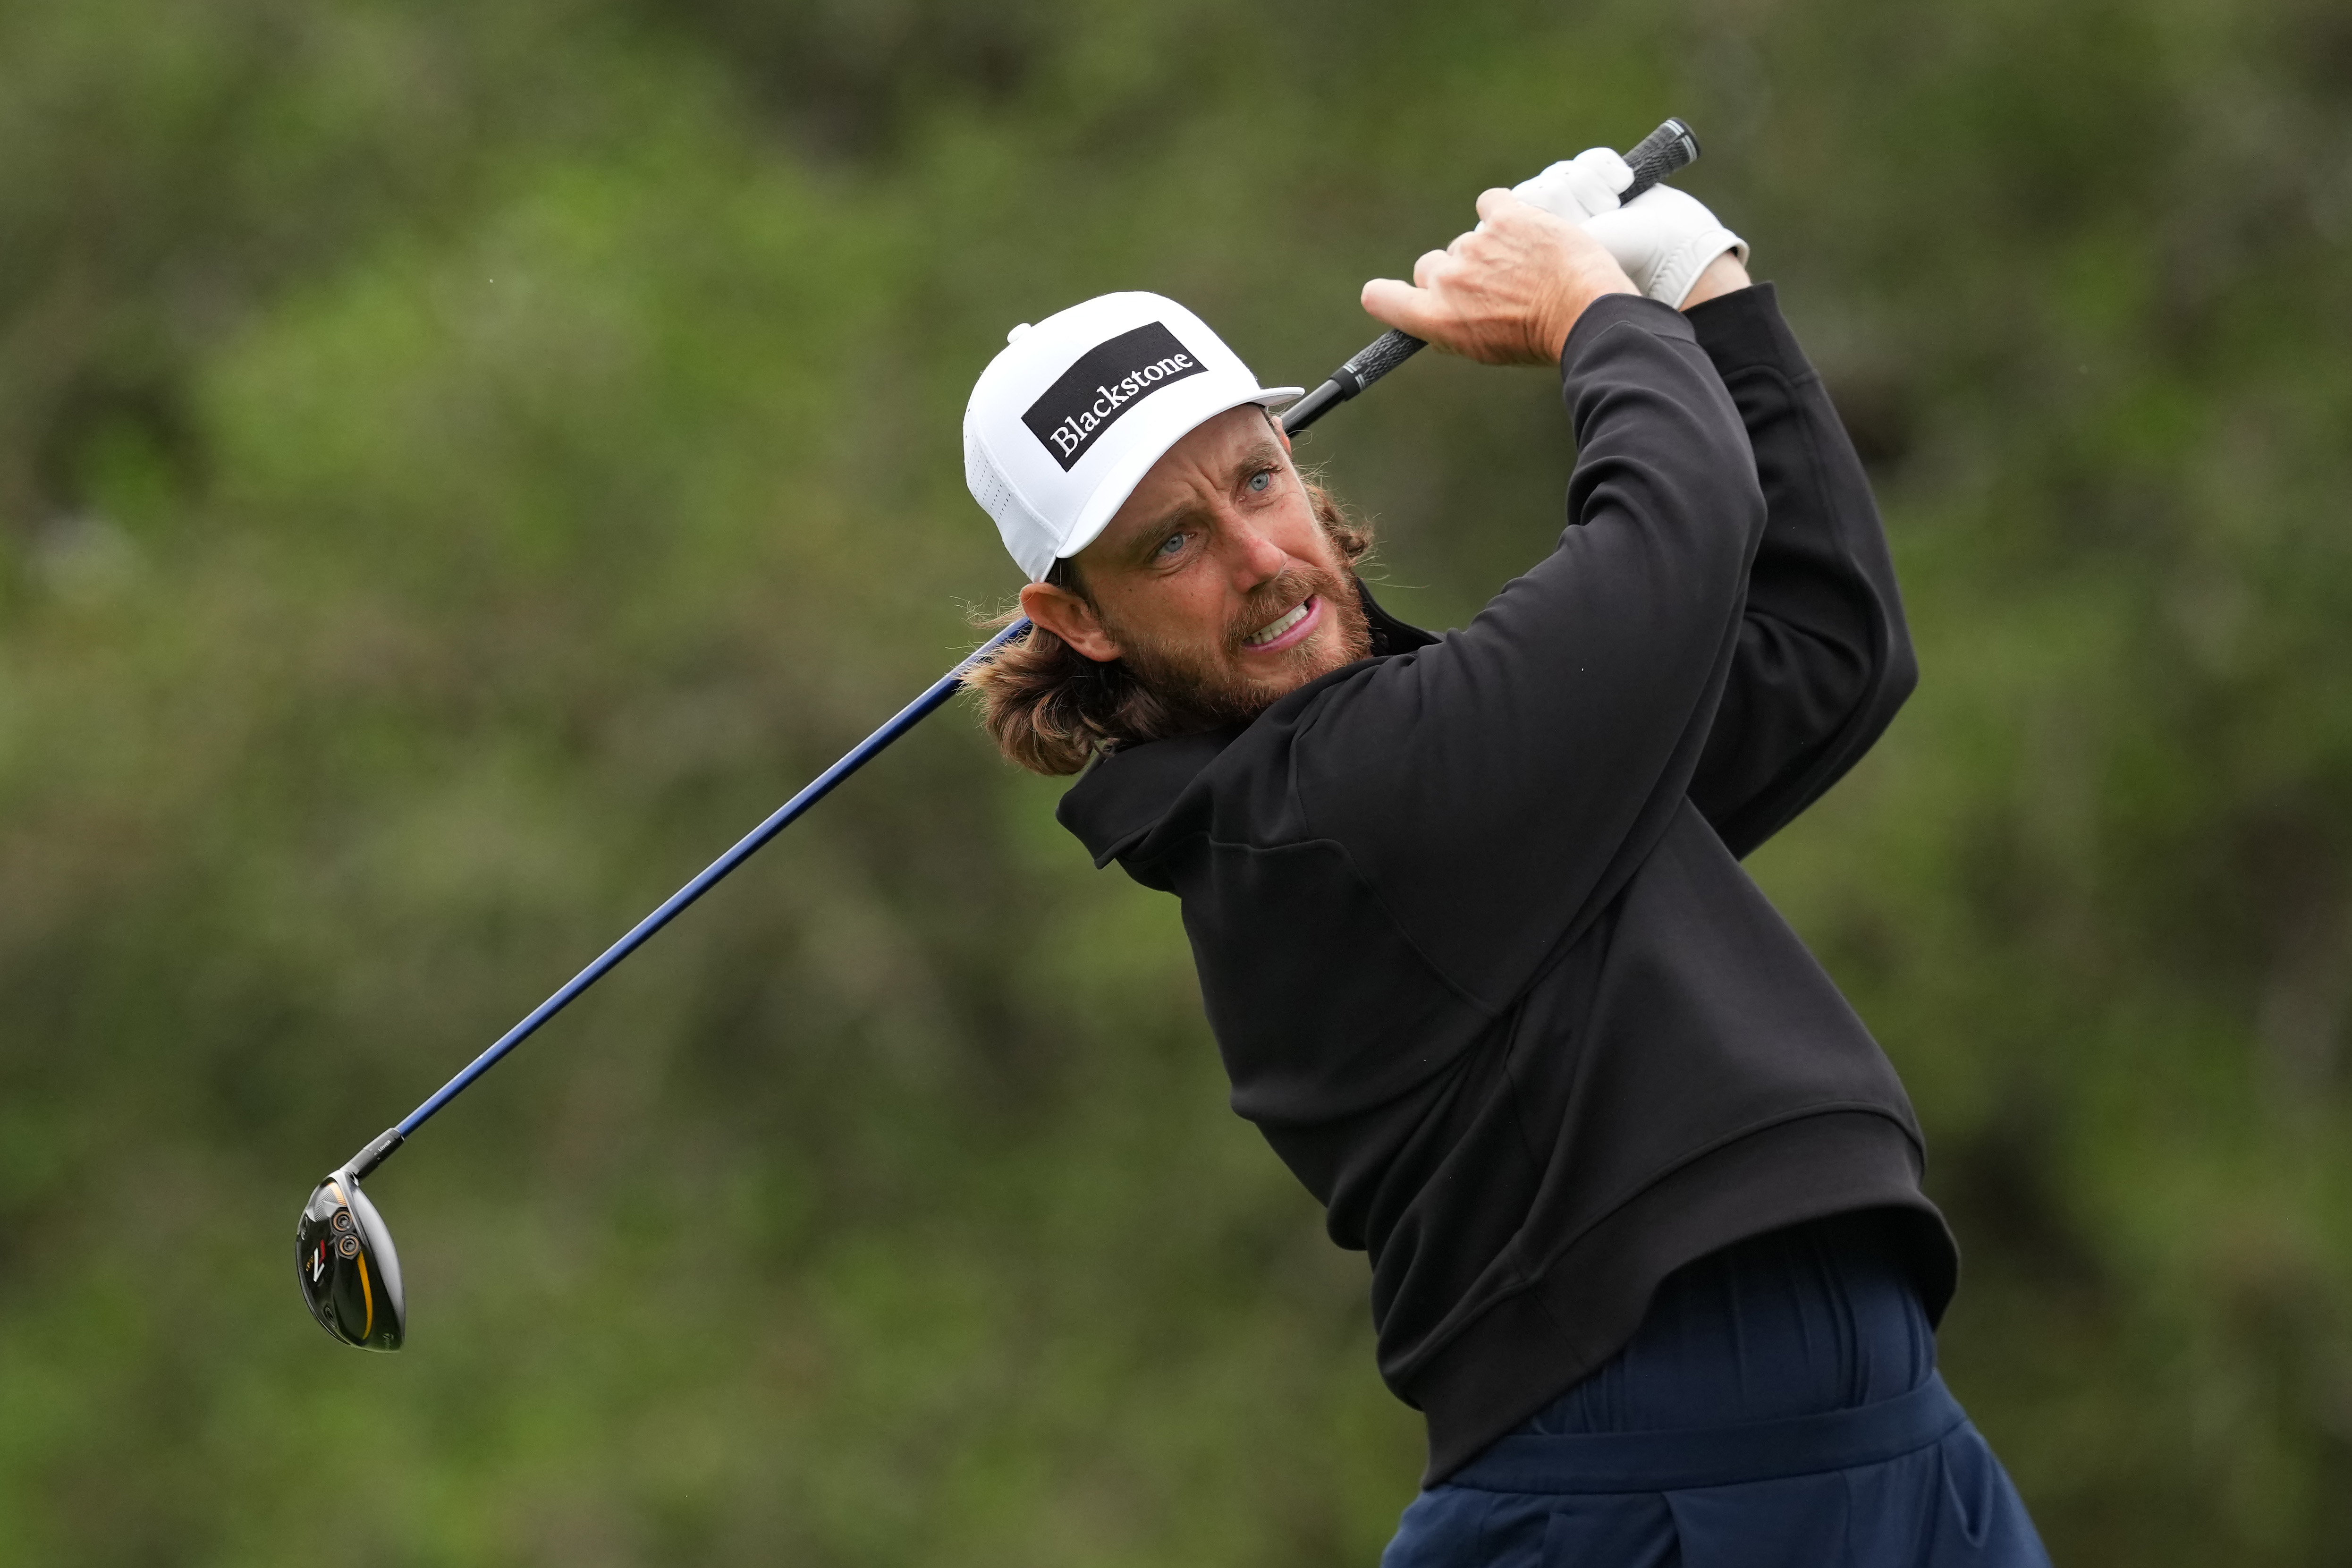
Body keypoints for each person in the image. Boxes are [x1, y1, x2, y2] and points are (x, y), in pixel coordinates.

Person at [957, 151, 2051, 1566]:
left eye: (1258, 476)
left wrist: (1696, 283)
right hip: (1640, 1494)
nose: (1261, 554)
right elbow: (1677, 524)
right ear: (1081, 618)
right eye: (1174, 542)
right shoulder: (1321, 812)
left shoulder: (1451, 760)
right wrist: (1594, 311)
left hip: (1883, 1442)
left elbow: (1821, 648)